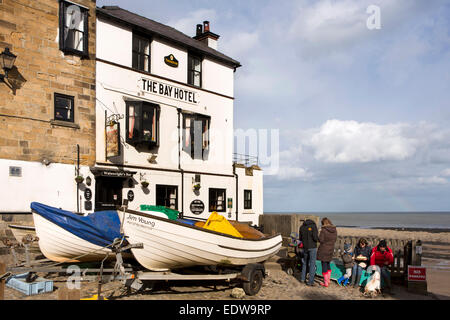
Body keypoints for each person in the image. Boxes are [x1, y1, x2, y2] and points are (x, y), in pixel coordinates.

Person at [317, 217, 337, 287]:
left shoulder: (323, 230)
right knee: (328, 264)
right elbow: (335, 239)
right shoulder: (334, 230)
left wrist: (319, 233)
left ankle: (326, 282)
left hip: (324, 249)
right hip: (331, 249)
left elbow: (321, 240)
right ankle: (328, 280)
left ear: (323, 223)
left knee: (324, 265)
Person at [298, 219, 319, 286]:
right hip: (312, 247)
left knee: (304, 263)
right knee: (312, 264)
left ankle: (302, 279)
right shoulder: (313, 226)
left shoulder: (302, 227)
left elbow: (300, 238)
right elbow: (315, 238)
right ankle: (310, 281)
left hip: (305, 247)